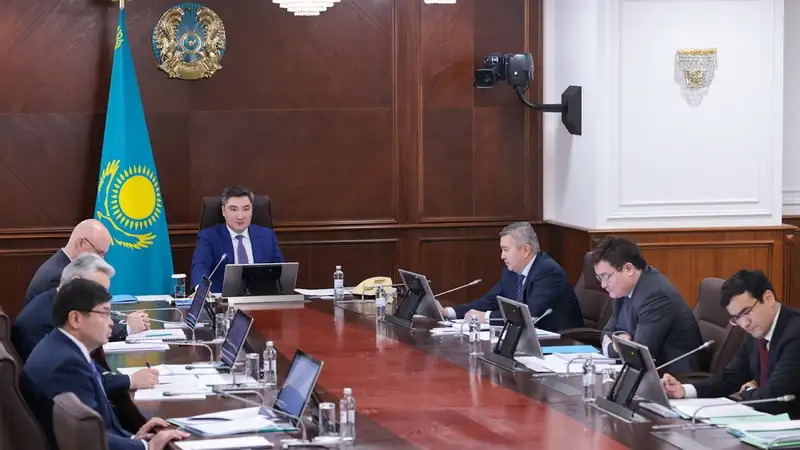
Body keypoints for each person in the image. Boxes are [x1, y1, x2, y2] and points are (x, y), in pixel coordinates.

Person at [20, 278, 188, 450]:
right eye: (104, 314)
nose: (111, 322)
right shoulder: (65, 365)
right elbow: (88, 438)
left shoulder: (61, 347)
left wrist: (133, 439)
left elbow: (96, 430)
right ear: (75, 319)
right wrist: (147, 446)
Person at [662, 270, 800, 417]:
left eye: (747, 312)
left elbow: (774, 399)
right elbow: (730, 378)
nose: (744, 324)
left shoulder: (795, 332)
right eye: (736, 318)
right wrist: (684, 390)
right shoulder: (758, 328)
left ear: (768, 299)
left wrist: (747, 392)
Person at [12, 254, 152, 398]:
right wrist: (130, 380)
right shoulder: (42, 322)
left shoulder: (56, 307)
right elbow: (74, 378)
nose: (109, 321)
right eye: (98, 291)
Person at [435, 222, 583, 333]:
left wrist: (485, 317)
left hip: (560, 341)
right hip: (528, 339)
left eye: (506, 250)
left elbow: (529, 315)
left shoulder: (548, 272)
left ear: (525, 250)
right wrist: (449, 312)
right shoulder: (512, 271)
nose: (502, 256)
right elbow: (488, 301)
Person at [593, 236, 705, 373]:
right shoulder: (623, 290)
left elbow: (638, 355)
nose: (603, 284)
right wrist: (619, 344)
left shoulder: (655, 296)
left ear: (628, 269)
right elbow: (607, 332)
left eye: (606, 277)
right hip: (645, 372)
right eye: (600, 278)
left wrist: (612, 347)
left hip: (672, 377)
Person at [190, 185, 284, 289]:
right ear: (223, 211)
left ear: (252, 210)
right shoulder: (209, 237)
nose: (240, 216)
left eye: (246, 209)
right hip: (222, 297)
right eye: (233, 209)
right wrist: (200, 289)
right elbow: (200, 266)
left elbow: (281, 271)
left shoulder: (267, 236)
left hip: (260, 296)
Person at [25, 219, 112, 304]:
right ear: (80, 243)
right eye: (99, 253)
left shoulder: (62, 264)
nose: (101, 260)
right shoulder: (57, 277)